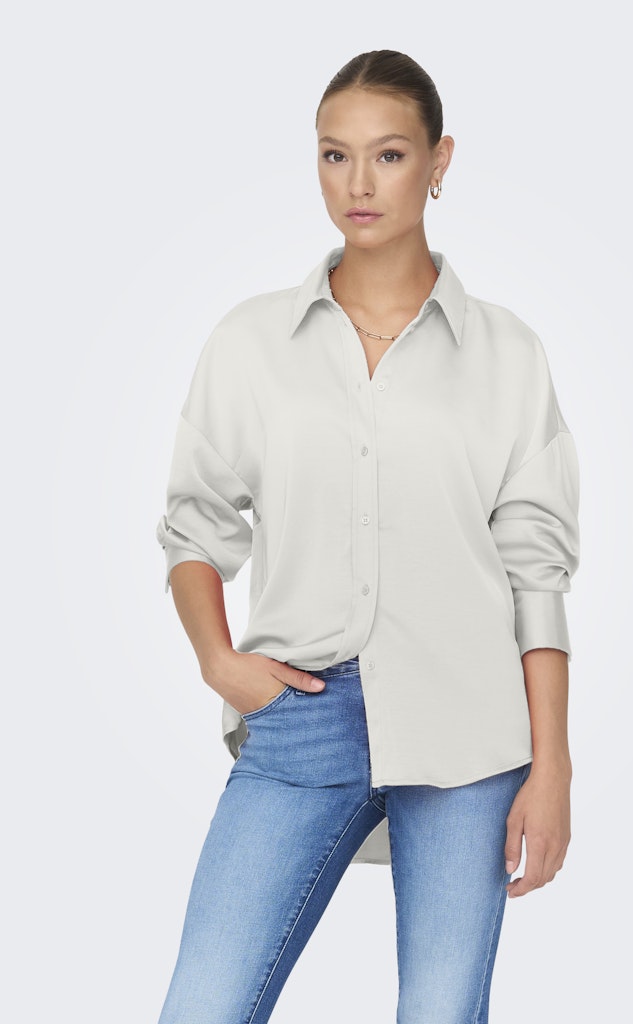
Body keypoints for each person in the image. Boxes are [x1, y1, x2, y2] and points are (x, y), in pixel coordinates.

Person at [155, 49, 580, 1024]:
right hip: (298, 715)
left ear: (438, 161)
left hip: (470, 730)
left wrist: (553, 763)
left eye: (388, 155)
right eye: (334, 155)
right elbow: (195, 521)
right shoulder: (251, 343)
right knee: (202, 1006)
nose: (358, 183)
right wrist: (219, 661)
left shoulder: (507, 354)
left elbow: (537, 572)